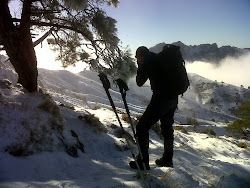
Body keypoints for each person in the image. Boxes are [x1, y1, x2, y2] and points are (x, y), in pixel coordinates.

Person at [129, 46, 178, 170]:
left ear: (141, 56)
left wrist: (140, 66)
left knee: (141, 127)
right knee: (167, 127)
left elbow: (139, 82)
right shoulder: (159, 58)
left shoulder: (148, 62)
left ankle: (143, 162)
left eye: (137, 58)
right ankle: (167, 159)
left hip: (161, 99)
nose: (137, 60)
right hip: (173, 98)